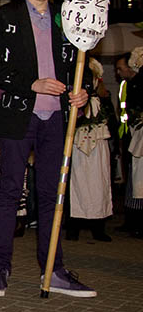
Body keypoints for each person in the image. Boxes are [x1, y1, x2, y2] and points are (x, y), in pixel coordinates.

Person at [0, 0, 94, 298]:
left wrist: (83, 91)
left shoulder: (68, 18)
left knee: (52, 196)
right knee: (9, 192)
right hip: (19, 115)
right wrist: (31, 83)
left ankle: (54, 270)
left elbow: (81, 64)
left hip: (56, 118)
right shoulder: (5, 16)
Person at [65, 58, 113, 242]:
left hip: (98, 149)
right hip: (76, 147)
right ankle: (73, 226)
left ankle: (97, 226)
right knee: (75, 186)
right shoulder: (75, 100)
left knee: (98, 184)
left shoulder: (102, 101)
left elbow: (112, 122)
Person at [115, 51, 143, 237]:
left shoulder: (139, 84)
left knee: (138, 179)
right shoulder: (126, 85)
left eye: (120, 68)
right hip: (128, 135)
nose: (118, 72)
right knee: (130, 179)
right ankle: (130, 219)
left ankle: (137, 221)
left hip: (138, 136)